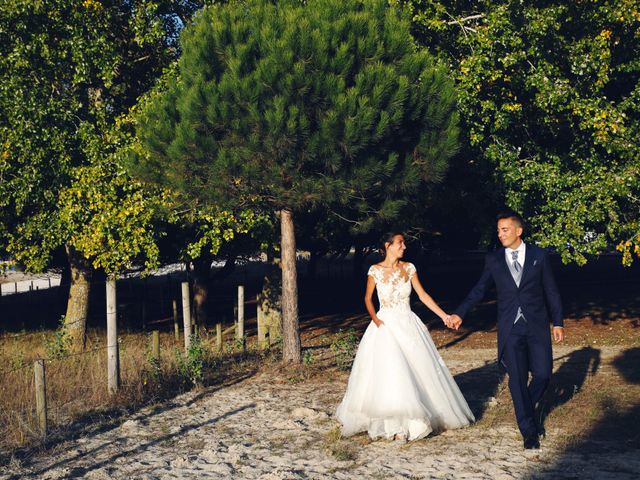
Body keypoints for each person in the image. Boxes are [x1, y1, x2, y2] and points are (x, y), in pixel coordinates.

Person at [335, 232, 475, 442]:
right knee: (391, 372)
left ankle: (412, 423)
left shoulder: (409, 268)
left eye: (403, 243)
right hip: (385, 326)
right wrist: (376, 320)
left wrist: (444, 316)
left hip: (408, 323)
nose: (404, 246)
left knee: (416, 370)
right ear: (388, 245)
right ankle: (391, 423)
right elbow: (367, 298)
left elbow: (423, 295)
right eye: (400, 243)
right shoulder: (375, 270)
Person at [449, 211, 564, 449]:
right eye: (499, 230)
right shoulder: (493, 260)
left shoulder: (539, 256)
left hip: (537, 325)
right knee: (517, 380)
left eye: (505, 230)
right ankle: (529, 433)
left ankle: (525, 409)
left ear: (518, 231)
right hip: (510, 328)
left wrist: (558, 321)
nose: (500, 234)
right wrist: (460, 312)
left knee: (543, 375)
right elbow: (479, 289)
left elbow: (551, 290)